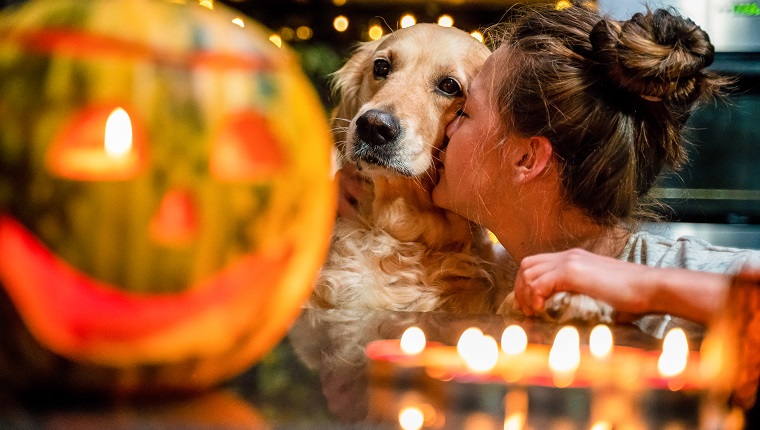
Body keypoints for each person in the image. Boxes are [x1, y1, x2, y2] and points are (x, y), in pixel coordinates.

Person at [339, 4, 759, 327]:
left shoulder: (671, 266)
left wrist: (641, 287)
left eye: (462, 112)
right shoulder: (486, 274)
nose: (442, 134)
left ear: (526, 157)